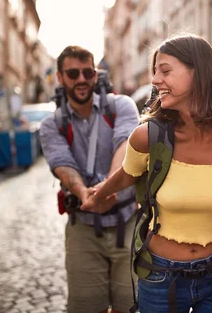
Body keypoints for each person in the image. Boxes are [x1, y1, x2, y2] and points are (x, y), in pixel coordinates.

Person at [81, 34, 212, 312]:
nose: (155, 80)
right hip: (161, 276)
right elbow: (128, 174)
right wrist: (99, 194)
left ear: (198, 72)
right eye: (154, 71)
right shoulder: (147, 136)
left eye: (165, 70)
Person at [39, 45, 140, 313]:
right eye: (73, 74)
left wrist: (108, 188)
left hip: (127, 221)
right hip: (82, 225)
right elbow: (62, 163)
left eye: (87, 72)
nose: (81, 79)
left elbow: (126, 144)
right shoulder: (52, 124)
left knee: (130, 306)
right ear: (60, 77)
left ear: (95, 75)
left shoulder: (121, 106)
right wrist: (85, 194)